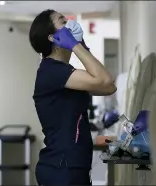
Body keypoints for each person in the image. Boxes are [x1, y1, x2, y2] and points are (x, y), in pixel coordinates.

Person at [29, 9, 117, 186]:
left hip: (73, 167)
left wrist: (82, 47)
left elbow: (109, 87)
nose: (70, 23)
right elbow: (105, 79)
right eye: (63, 21)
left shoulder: (65, 73)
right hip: (61, 168)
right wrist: (77, 46)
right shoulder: (52, 71)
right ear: (52, 37)